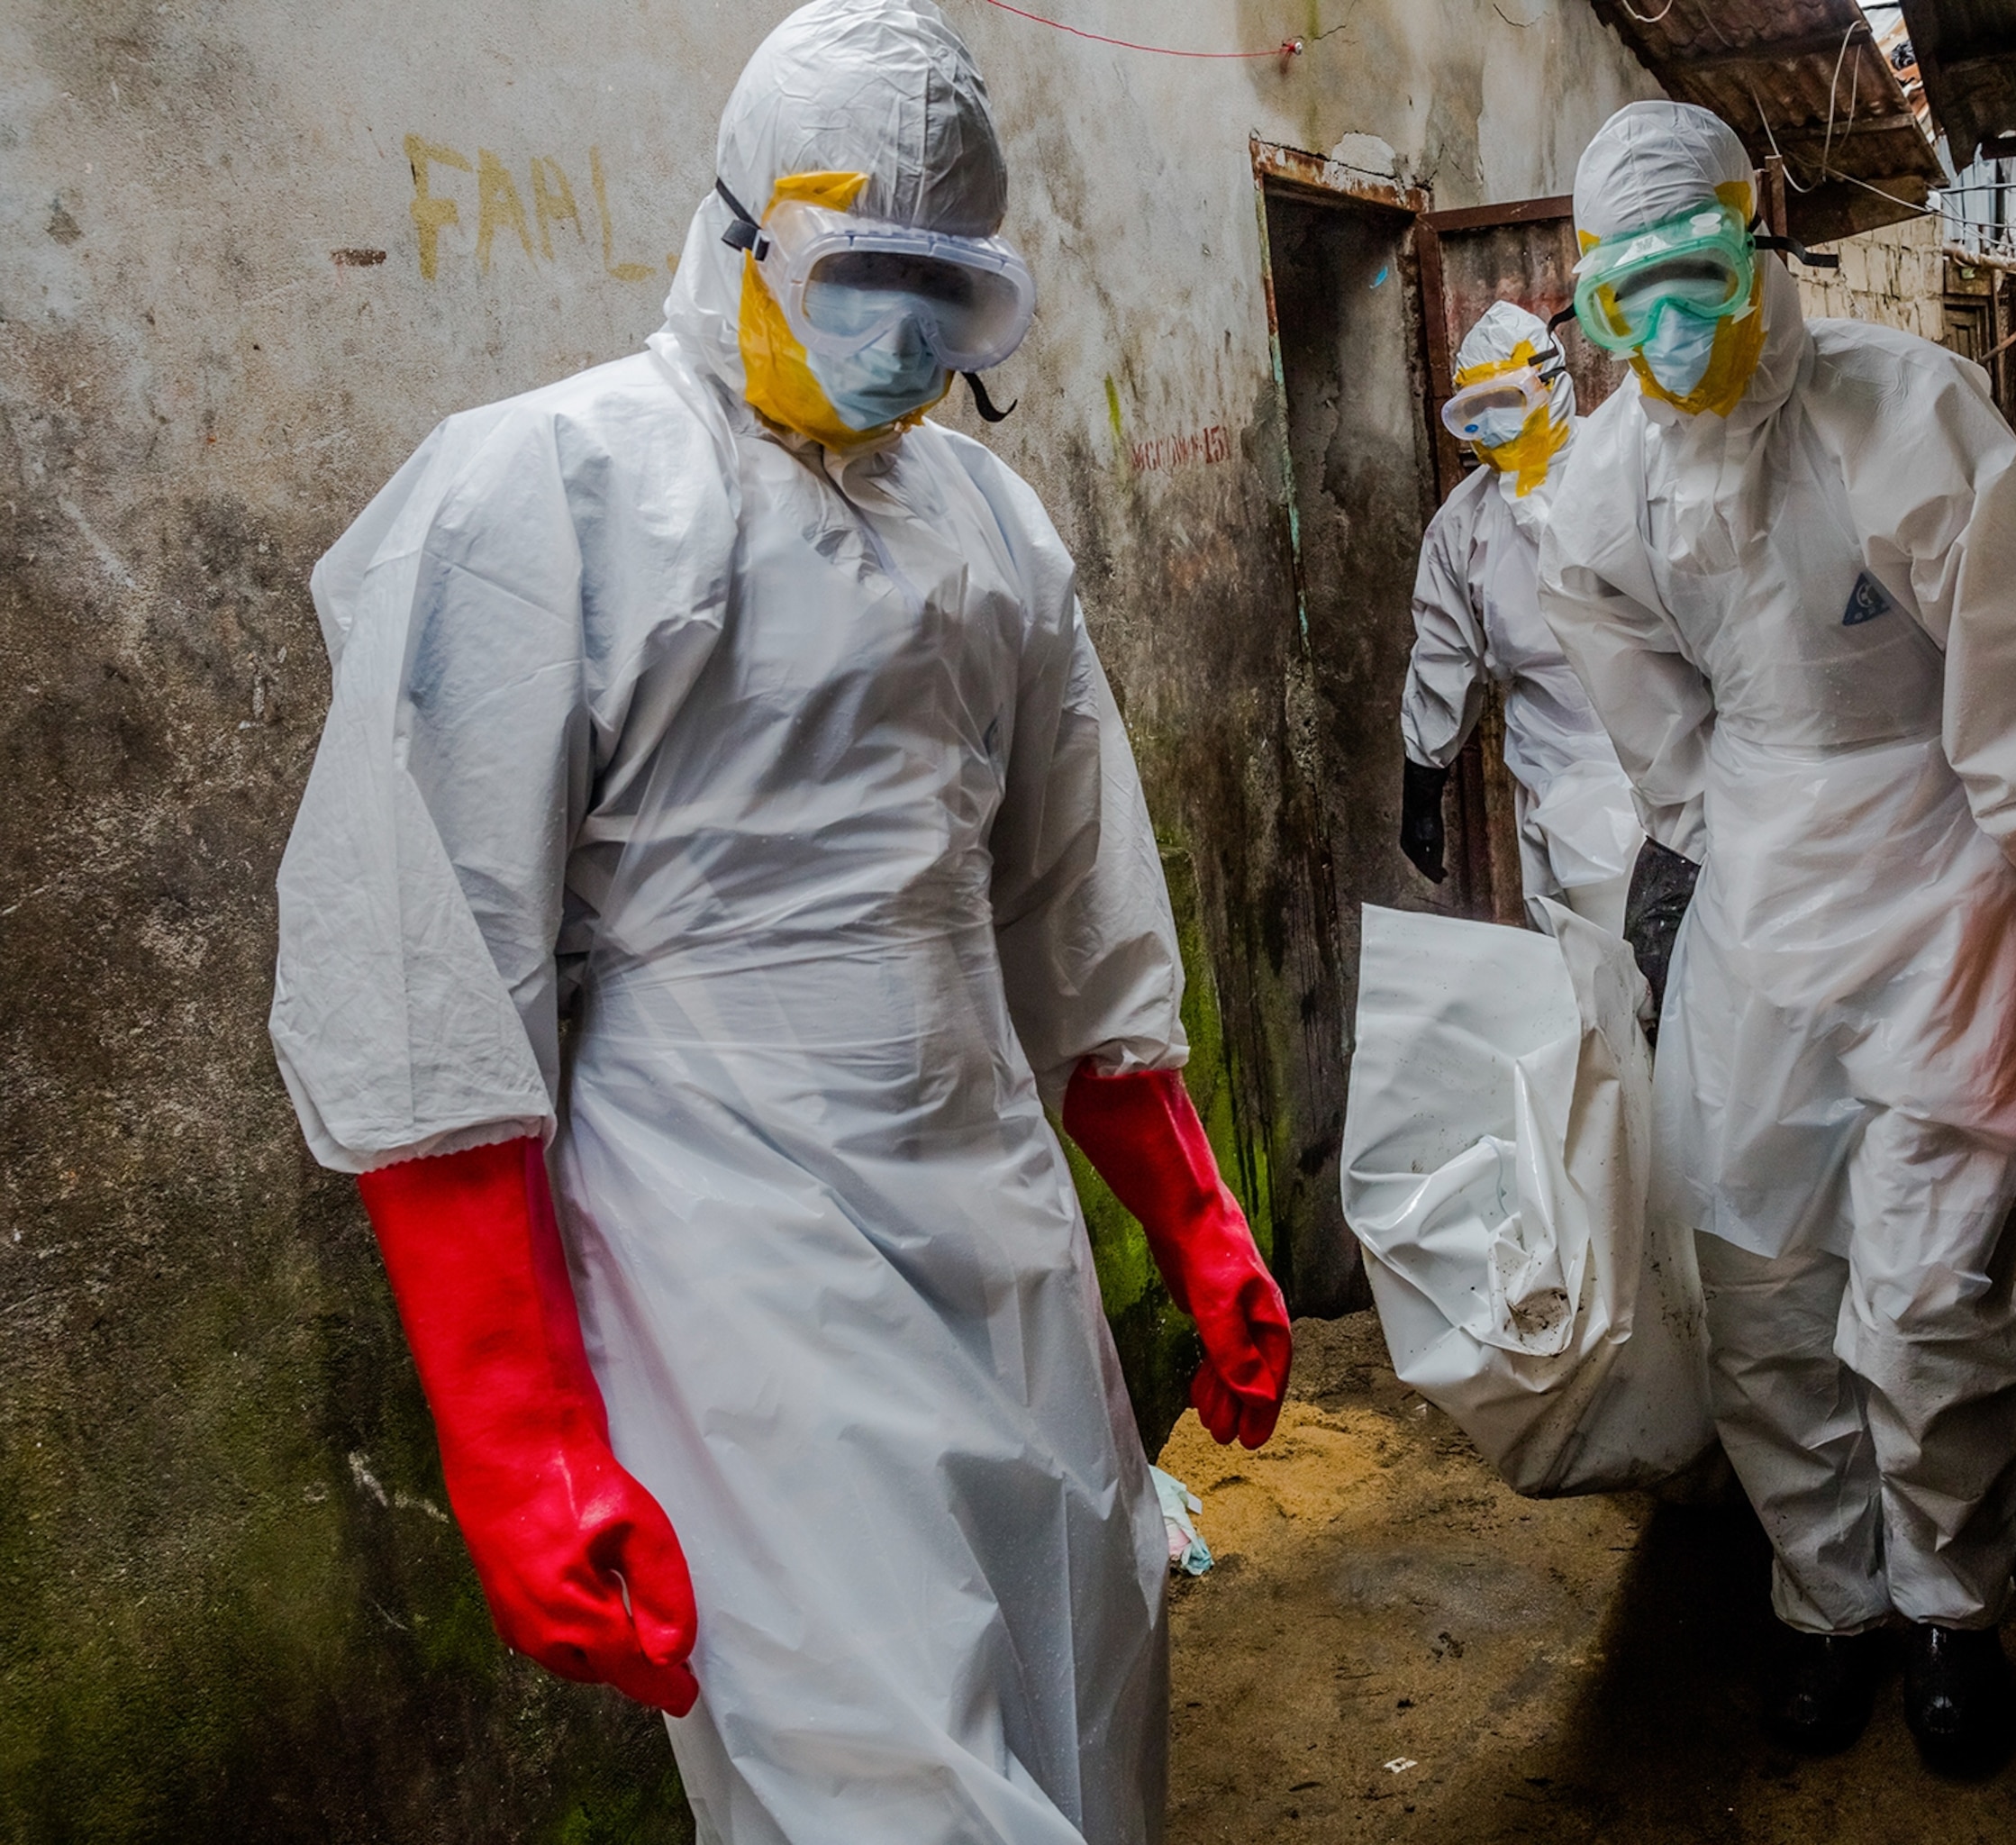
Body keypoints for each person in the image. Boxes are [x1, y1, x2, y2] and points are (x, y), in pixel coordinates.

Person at [267, 4, 1289, 1839]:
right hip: (720, 1233)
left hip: (995, 1213)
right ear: (738, 229)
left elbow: (1075, 902)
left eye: (946, 294)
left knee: (1090, 1663)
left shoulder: (993, 531)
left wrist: (1195, 1214)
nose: (900, 334)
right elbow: (426, 964)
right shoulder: (545, 493)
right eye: (854, 273)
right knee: (875, 1774)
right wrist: (521, 1437)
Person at [1539, 102, 2016, 1766]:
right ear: (1593, 302)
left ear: (1758, 244)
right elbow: (1640, 701)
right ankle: (1831, 1595)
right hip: (1758, 903)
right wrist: (1718, 837)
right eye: (1628, 298)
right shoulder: (1602, 485)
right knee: (1754, 1272)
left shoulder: (1905, 410)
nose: (1671, 327)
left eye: (1697, 276)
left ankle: (1951, 1605)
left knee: (1929, 1287)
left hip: (1941, 871)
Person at [1398, 302, 1644, 934]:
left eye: (1505, 403)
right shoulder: (1464, 524)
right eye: (1475, 414)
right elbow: (1444, 655)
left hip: (1667, 755)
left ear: (1551, 384)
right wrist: (1423, 785)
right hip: (1552, 763)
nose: (1494, 429)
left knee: (1665, 969)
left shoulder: (1629, 462)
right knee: (1579, 970)